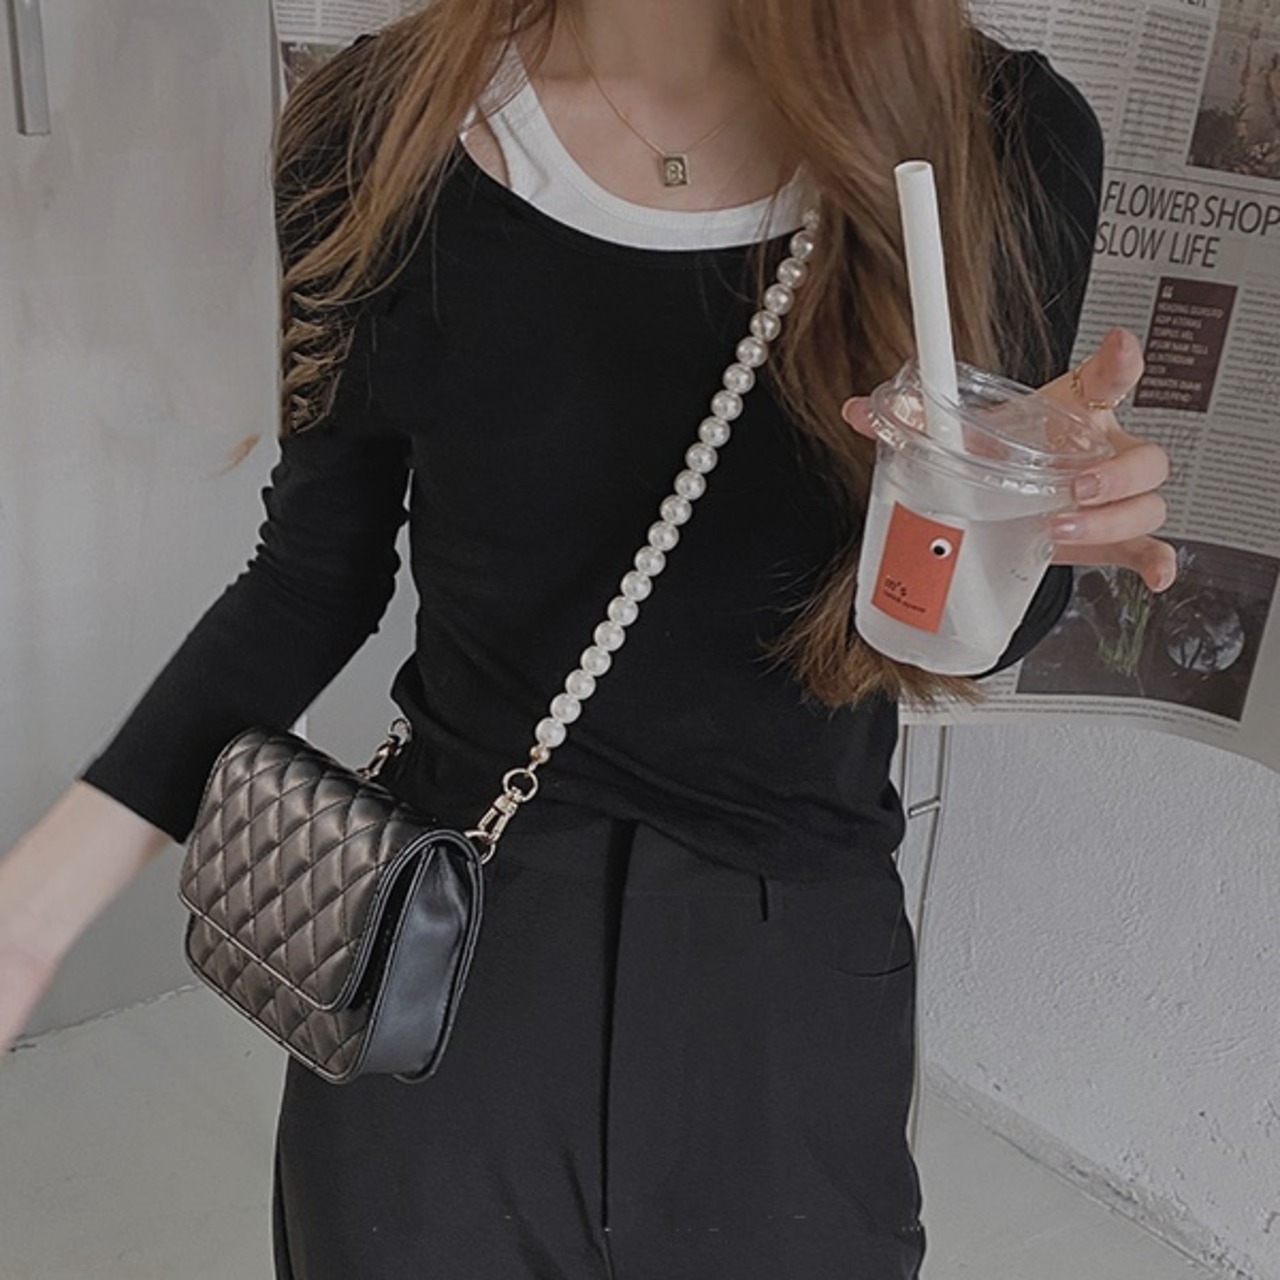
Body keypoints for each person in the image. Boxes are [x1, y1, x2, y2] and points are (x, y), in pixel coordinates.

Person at [0, 2, 1173, 1277]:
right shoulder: (373, 129)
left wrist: (1030, 525)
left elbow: (948, 634)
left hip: (786, 967)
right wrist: (36, 903)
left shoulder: (994, 137)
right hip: (443, 945)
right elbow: (310, 578)